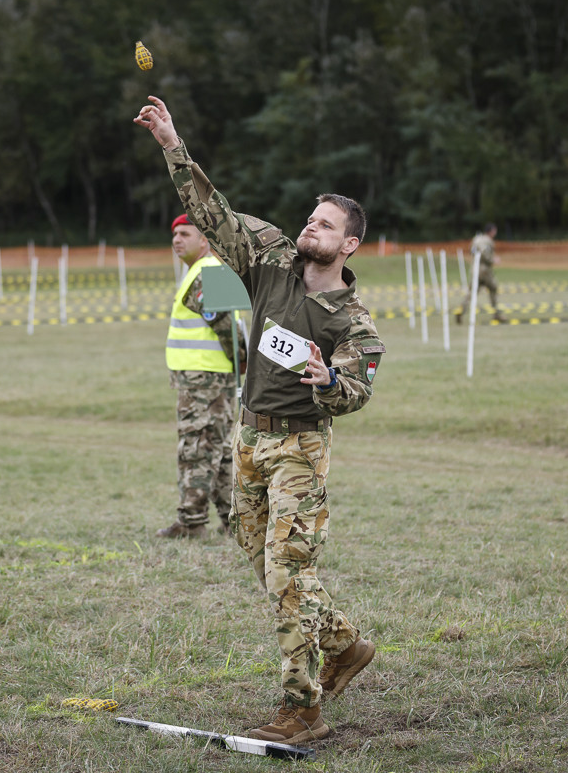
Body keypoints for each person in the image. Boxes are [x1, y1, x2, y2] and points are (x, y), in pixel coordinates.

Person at [134, 95, 386, 744]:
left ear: (349, 244)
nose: (311, 228)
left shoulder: (353, 321)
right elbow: (213, 212)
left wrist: (330, 381)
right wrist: (172, 144)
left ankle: (302, 710)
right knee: (266, 563)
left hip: (300, 446)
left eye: (326, 225)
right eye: (311, 218)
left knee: (287, 573)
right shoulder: (269, 258)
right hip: (249, 436)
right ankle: (345, 644)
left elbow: (357, 387)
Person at [158, 213, 242, 539]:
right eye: (175, 234)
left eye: (185, 234)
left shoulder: (205, 272)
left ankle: (192, 522)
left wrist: (242, 361)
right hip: (212, 375)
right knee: (217, 449)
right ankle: (234, 522)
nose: (177, 240)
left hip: (204, 378)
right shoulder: (208, 270)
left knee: (196, 448)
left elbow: (226, 326)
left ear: (204, 240)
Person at [455, 222, 505, 323]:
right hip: (484, 270)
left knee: (472, 292)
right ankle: (497, 314)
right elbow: (485, 253)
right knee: (493, 288)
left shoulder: (476, 239)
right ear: (491, 231)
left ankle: (462, 309)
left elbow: (472, 251)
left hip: (475, 269)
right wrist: (492, 260)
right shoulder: (487, 241)